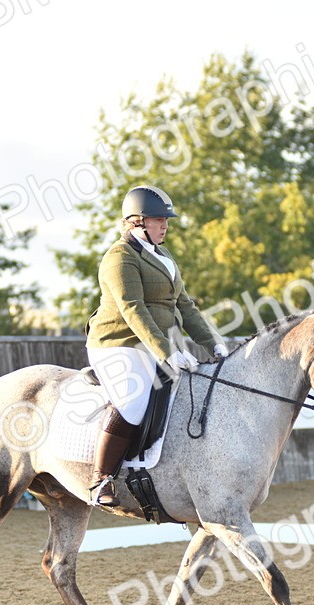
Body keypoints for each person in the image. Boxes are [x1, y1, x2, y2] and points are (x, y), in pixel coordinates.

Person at [84, 185, 229, 506]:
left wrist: (214, 344)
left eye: (166, 220)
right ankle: (101, 479)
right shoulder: (118, 258)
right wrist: (168, 352)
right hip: (118, 343)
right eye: (158, 220)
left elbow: (186, 306)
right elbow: (133, 308)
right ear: (136, 222)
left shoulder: (163, 256)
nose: (165, 225)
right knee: (134, 400)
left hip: (156, 344)